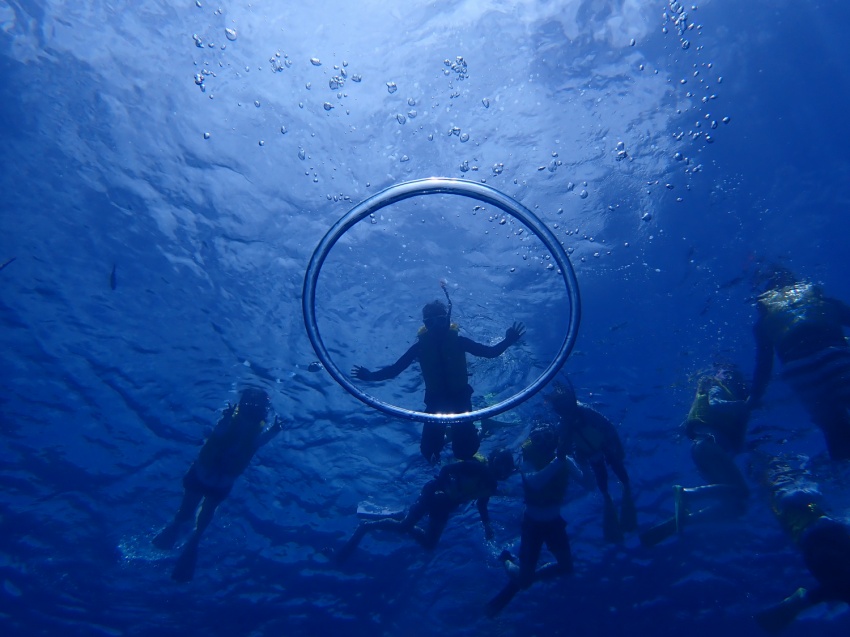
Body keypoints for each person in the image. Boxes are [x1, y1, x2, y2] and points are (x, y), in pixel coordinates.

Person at [351, 293, 525, 463]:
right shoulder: (419, 348)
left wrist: (509, 340)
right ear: (425, 326)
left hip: (460, 400)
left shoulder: (460, 342)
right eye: (430, 323)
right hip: (435, 403)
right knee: (429, 453)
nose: (436, 327)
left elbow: (490, 353)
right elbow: (394, 370)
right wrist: (370, 376)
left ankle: (480, 428)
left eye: (440, 320)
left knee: (465, 452)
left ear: (447, 320)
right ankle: (449, 434)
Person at [152, 387, 283, 582]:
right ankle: (187, 538)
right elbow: (232, 435)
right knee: (191, 515)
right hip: (214, 480)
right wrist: (272, 430)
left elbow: (250, 441)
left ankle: (182, 538)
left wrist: (272, 431)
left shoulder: (238, 422)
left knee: (191, 514)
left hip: (208, 478)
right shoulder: (233, 420)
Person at [335, 448, 516, 562]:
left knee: (429, 544)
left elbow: (482, 505)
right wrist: (444, 489)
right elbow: (446, 469)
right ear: (493, 460)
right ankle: (366, 526)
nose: (499, 471)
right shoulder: (476, 468)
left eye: (504, 469)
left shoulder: (490, 487)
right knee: (403, 527)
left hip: (445, 507)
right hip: (434, 493)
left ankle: (401, 517)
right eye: (499, 464)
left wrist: (487, 526)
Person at [640, 363, 751, 547]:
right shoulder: (717, 387)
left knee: (736, 506)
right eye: (731, 377)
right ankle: (687, 495)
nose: (733, 381)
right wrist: (744, 405)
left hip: (702, 449)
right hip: (708, 446)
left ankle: (686, 520)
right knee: (742, 493)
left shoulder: (717, 391)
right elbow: (715, 404)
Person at [749, 267, 850, 460]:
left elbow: (764, 365)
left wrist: (754, 397)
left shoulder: (764, 321)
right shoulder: (819, 300)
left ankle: (844, 474)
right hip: (834, 356)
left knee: (833, 427)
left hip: (798, 371)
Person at [486, 424, 581, 617]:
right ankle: (507, 560)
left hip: (554, 521)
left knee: (565, 567)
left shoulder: (563, 459)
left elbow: (587, 483)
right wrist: (560, 459)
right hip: (533, 525)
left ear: (554, 440)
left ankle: (523, 578)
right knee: (526, 580)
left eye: (548, 438)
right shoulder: (527, 460)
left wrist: (586, 462)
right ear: (533, 441)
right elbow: (535, 483)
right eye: (538, 439)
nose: (543, 444)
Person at [754, 454, 850, 633]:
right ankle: (801, 601)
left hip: (818, 541)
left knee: (840, 586)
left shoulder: (786, 498)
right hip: (820, 541)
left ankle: (800, 601)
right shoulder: (786, 499)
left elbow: (804, 497)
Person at [545, 381, 637, 543]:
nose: (565, 412)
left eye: (565, 407)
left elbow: (608, 426)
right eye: (560, 409)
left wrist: (618, 447)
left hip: (604, 445)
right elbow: (562, 449)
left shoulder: (585, 411)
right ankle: (608, 497)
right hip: (590, 452)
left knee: (617, 468)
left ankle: (625, 487)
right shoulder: (564, 424)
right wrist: (563, 448)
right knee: (601, 477)